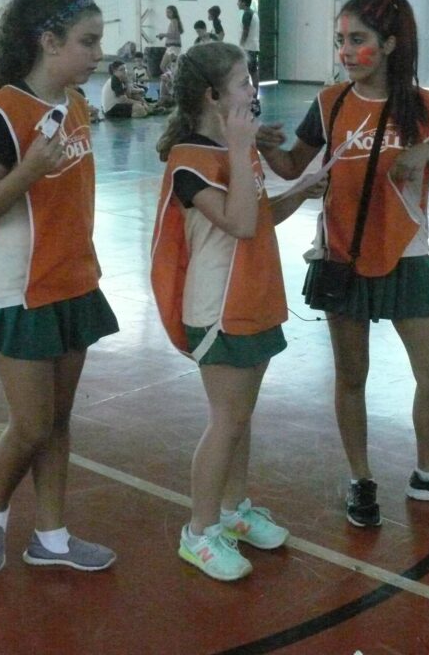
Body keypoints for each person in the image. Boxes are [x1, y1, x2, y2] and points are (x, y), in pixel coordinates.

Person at [255, 0, 429, 528]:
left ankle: (427, 473)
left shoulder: (427, 109)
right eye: (340, 40)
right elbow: (292, 166)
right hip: (342, 254)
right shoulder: (330, 103)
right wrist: (264, 145)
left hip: (406, 254)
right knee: (352, 376)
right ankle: (361, 478)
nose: (345, 51)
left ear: (390, 44)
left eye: (357, 39)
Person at [0, 0, 119, 573]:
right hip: (17, 289)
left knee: (57, 421)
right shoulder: (2, 114)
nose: (98, 53)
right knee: (30, 424)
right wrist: (29, 170)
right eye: (88, 41)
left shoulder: (75, 103)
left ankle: (51, 538)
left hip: (71, 281)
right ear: (49, 42)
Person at [150, 42, 322, 581]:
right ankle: (199, 532)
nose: (253, 90)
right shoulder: (190, 162)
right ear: (212, 95)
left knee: (241, 418)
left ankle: (232, 510)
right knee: (226, 421)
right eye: (244, 81)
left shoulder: (234, 151)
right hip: (217, 308)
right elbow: (241, 223)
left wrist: (303, 188)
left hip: (253, 299)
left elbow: (260, 214)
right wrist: (244, 146)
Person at [236, 0, 261, 116]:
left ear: (244, 2)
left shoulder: (247, 14)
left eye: (239, 1)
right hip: (253, 46)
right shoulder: (254, 14)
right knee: (253, 72)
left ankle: (251, 99)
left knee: (246, 73)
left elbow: (245, 31)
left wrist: (241, 46)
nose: (237, 3)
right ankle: (254, 98)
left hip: (248, 48)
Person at [158, 4, 184, 72]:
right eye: (166, 12)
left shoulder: (174, 21)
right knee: (165, 66)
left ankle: (172, 77)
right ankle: (171, 77)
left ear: (174, 13)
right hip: (171, 47)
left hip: (173, 47)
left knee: (166, 66)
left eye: (169, 12)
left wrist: (163, 35)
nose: (167, 14)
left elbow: (175, 35)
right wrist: (163, 36)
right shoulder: (173, 21)